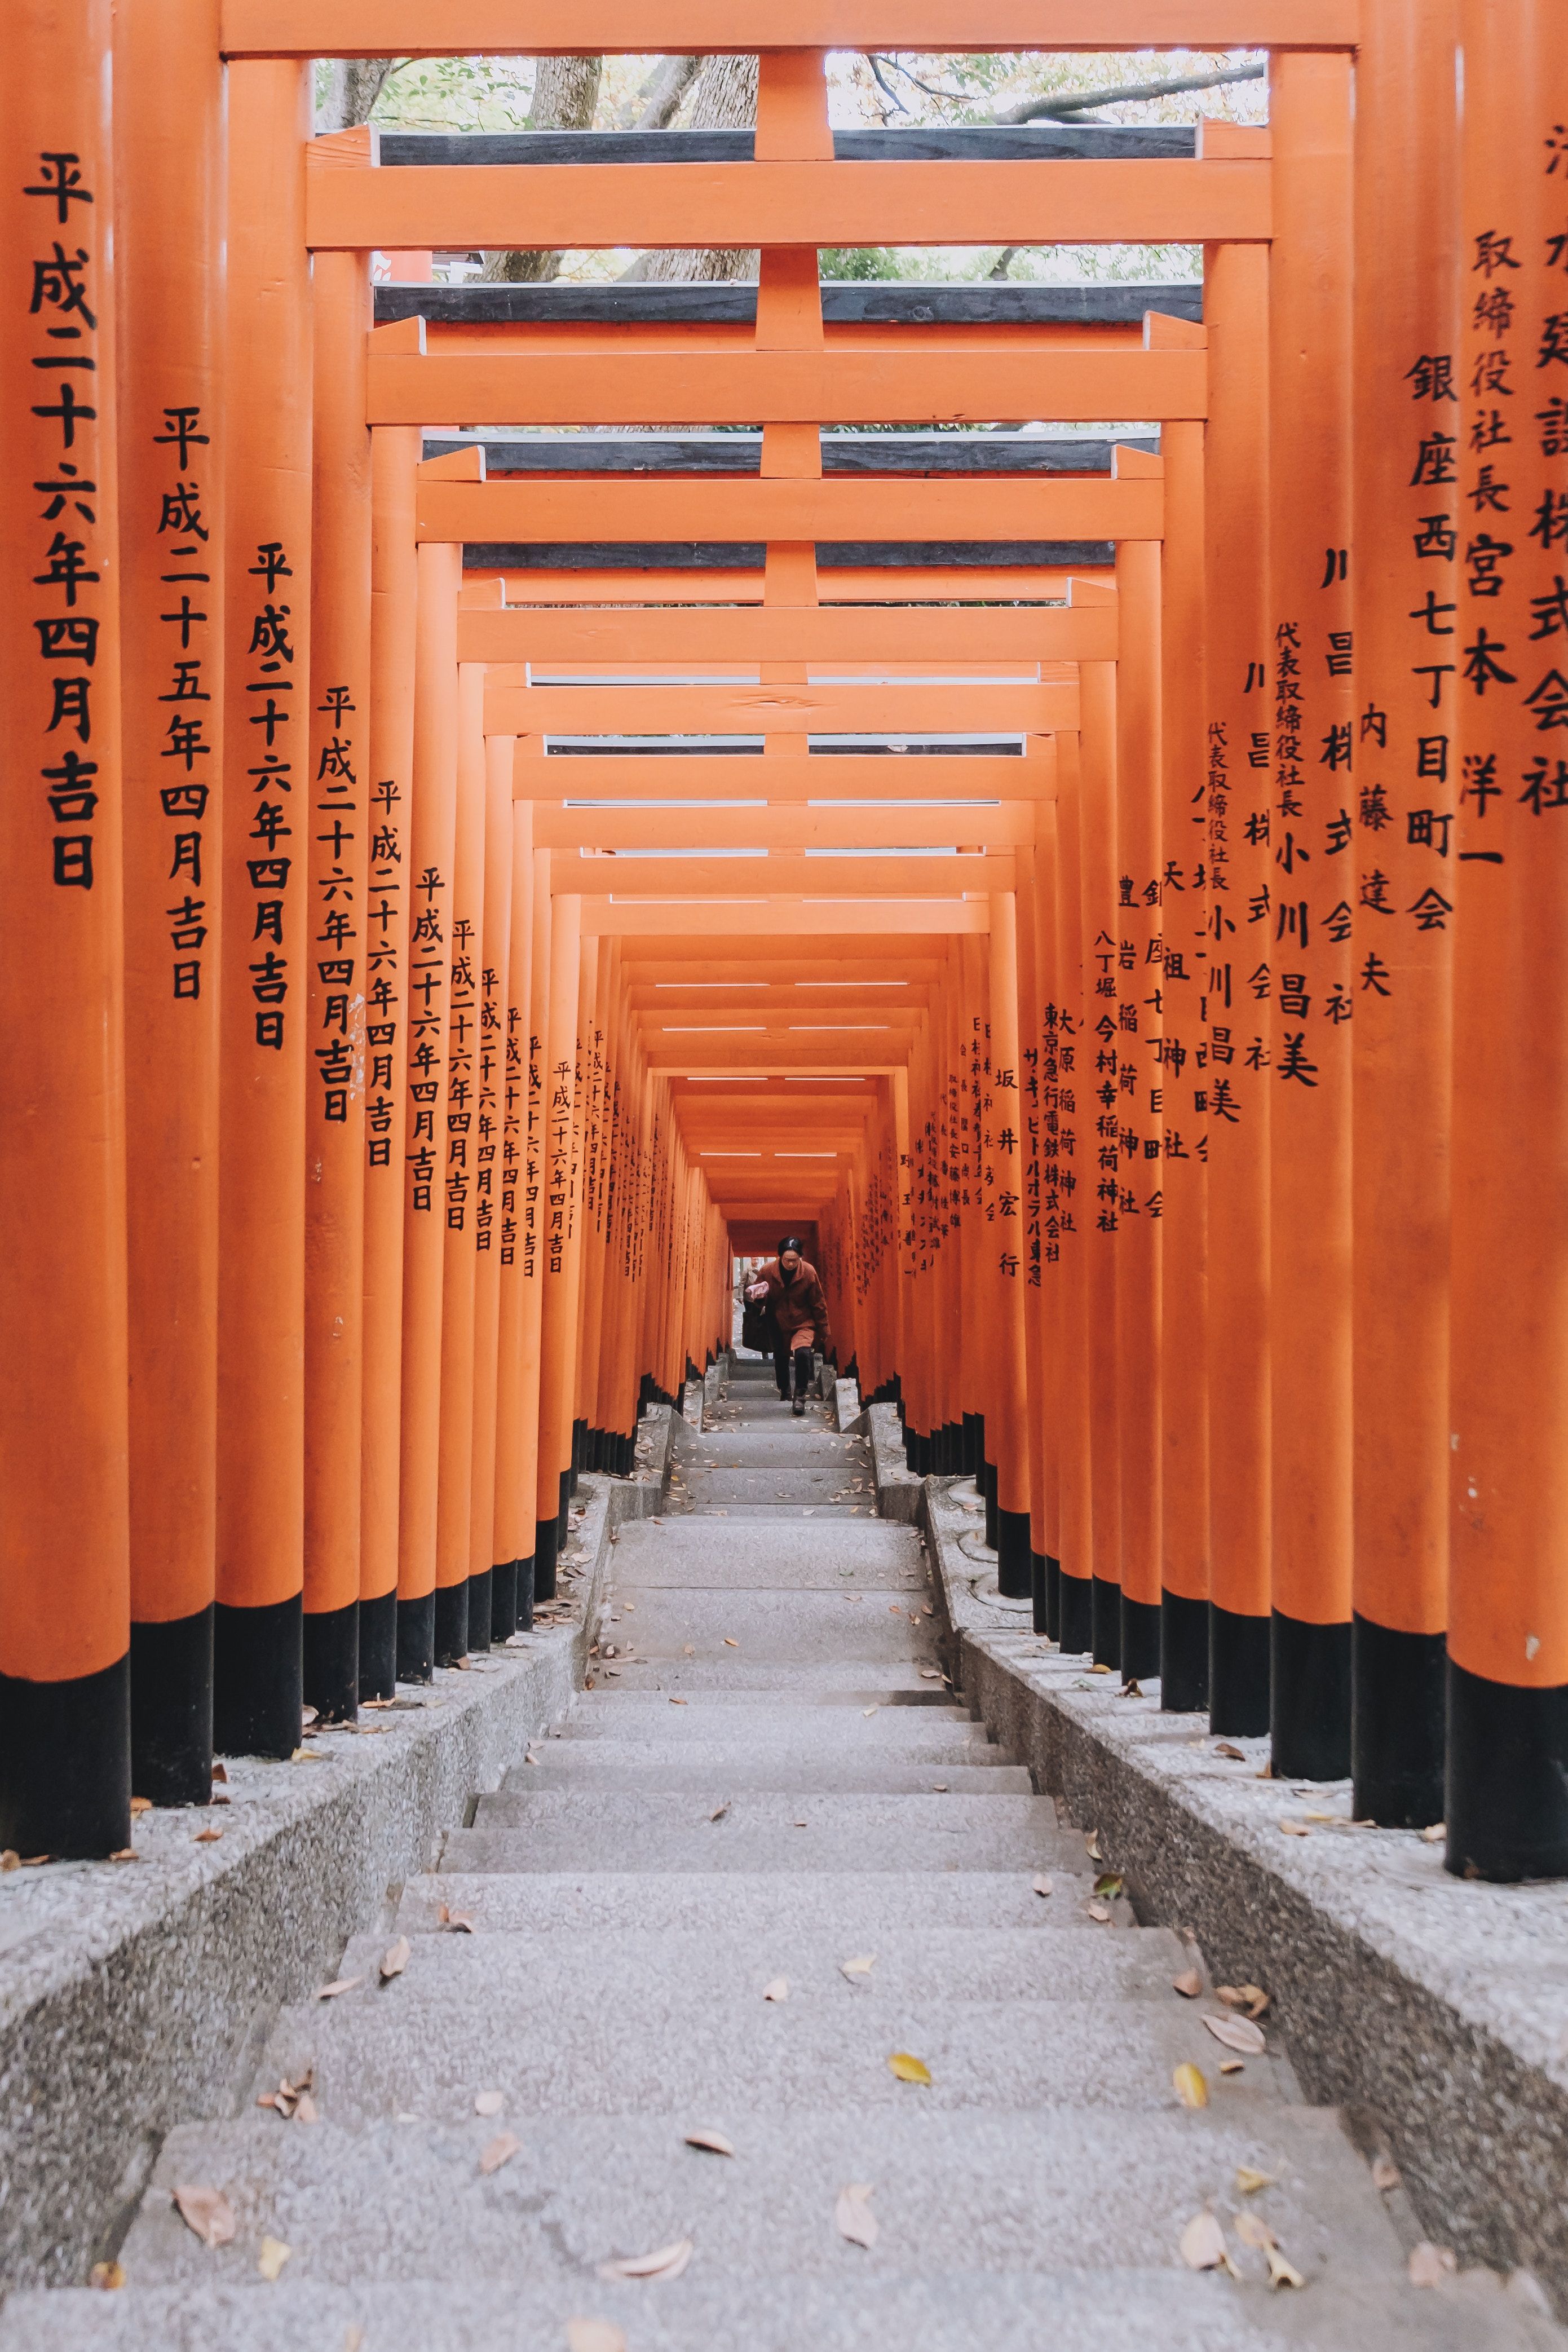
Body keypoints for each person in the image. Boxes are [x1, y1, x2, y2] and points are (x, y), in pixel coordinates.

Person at [745, 1236, 832, 1417]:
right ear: (780, 1257)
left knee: (802, 1353)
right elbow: (757, 1298)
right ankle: (785, 1390)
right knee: (781, 1358)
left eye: (794, 1260)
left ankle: (800, 1395)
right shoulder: (767, 1271)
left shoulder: (809, 1272)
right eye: (787, 1260)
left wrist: (823, 1329)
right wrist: (759, 1299)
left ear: (800, 1257)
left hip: (804, 1322)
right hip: (777, 1321)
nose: (790, 1264)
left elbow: (818, 1302)